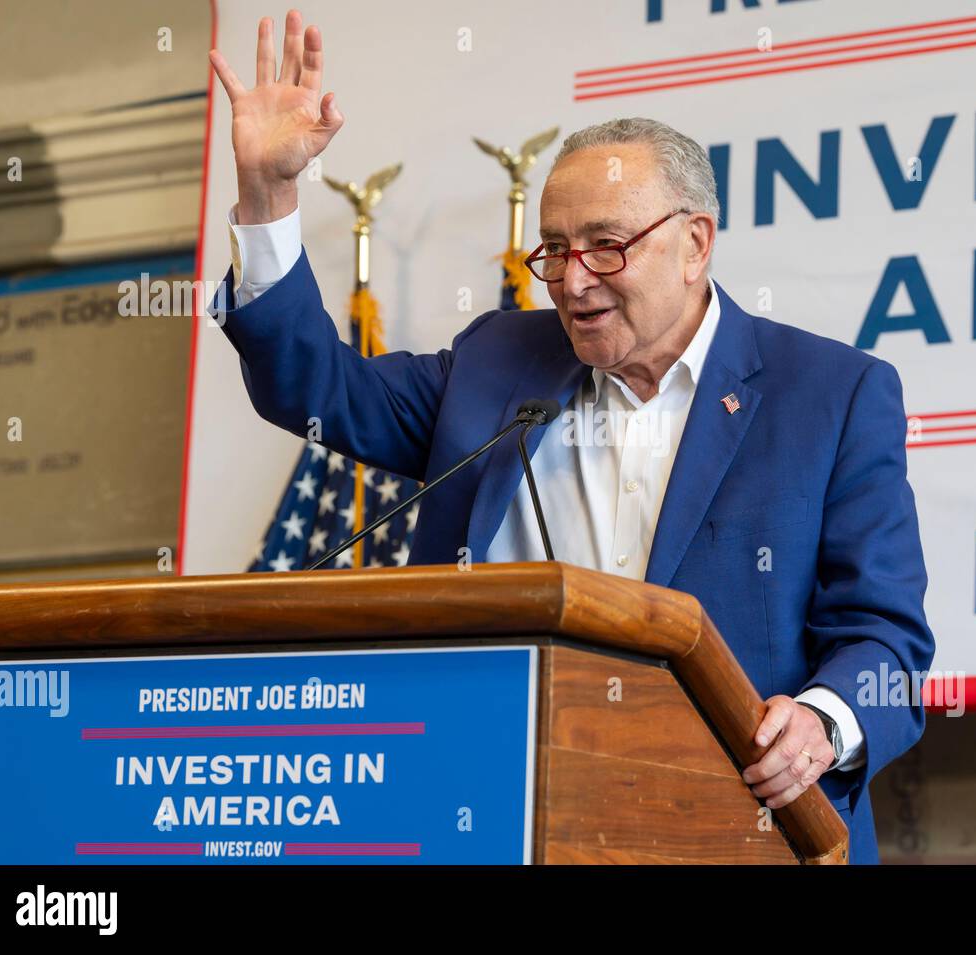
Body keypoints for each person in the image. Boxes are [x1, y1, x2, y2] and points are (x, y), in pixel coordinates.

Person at [208, 10, 935, 864]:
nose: (574, 281)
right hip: (498, 814)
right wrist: (267, 195)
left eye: (606, 247)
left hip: (727, 826)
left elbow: (885, 641)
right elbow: (315, 389)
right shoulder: (495, 361)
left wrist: (820, 721)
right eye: (554, 251)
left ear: (695, 243)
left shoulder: (833, 395)